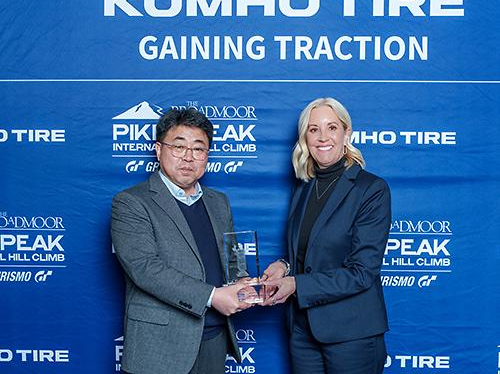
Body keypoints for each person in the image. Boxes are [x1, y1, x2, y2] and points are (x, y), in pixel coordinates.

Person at [111, 109, 254, 374]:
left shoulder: (219, 202)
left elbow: (232, 258)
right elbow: (144, 268)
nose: (188, 157)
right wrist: (213, 296)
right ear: (158, 150)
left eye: (198, 149)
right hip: (159, 347)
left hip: (214, 339)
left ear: (207, 155)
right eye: (178, 147)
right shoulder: (132, 202)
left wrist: (243, 282)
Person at [261, 97, 391, 374]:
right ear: (305, 138)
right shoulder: (304, 186)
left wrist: (296, 284)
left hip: (352, 334)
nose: (322, 137)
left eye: (332, 127)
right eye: (313, 129)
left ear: (346, 133)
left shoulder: (371, 189)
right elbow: (311, 251)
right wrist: (284, 266)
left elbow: (362, 272)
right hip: (303, 330)